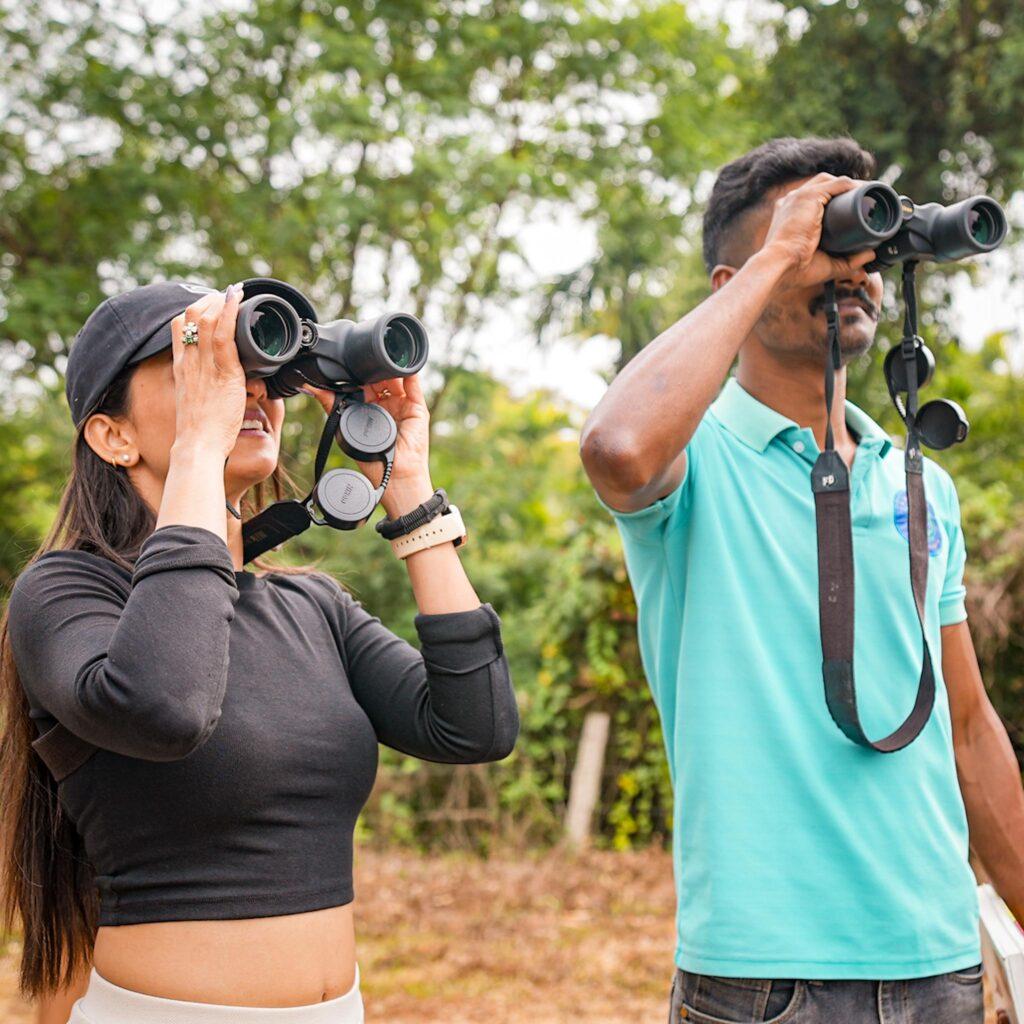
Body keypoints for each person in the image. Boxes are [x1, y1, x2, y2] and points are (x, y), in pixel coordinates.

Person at [579, 136, 1024, 1024]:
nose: (852, 269)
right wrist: (784, 247)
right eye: (820, 242)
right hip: (762, 976)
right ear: (730, 288)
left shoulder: (917, 480)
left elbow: (967, 728)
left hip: (939, 961)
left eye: (865, 251)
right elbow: (617, 449)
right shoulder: (692, 461)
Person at [0, 279, 519, 1022]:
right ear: (112, 435)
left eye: (256, 374)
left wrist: (410, 493)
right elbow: (169, 706)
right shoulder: (65, 593)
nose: (244, 392)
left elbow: (476, 725)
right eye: (199, 369)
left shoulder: (312, 606)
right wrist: (198, 454)